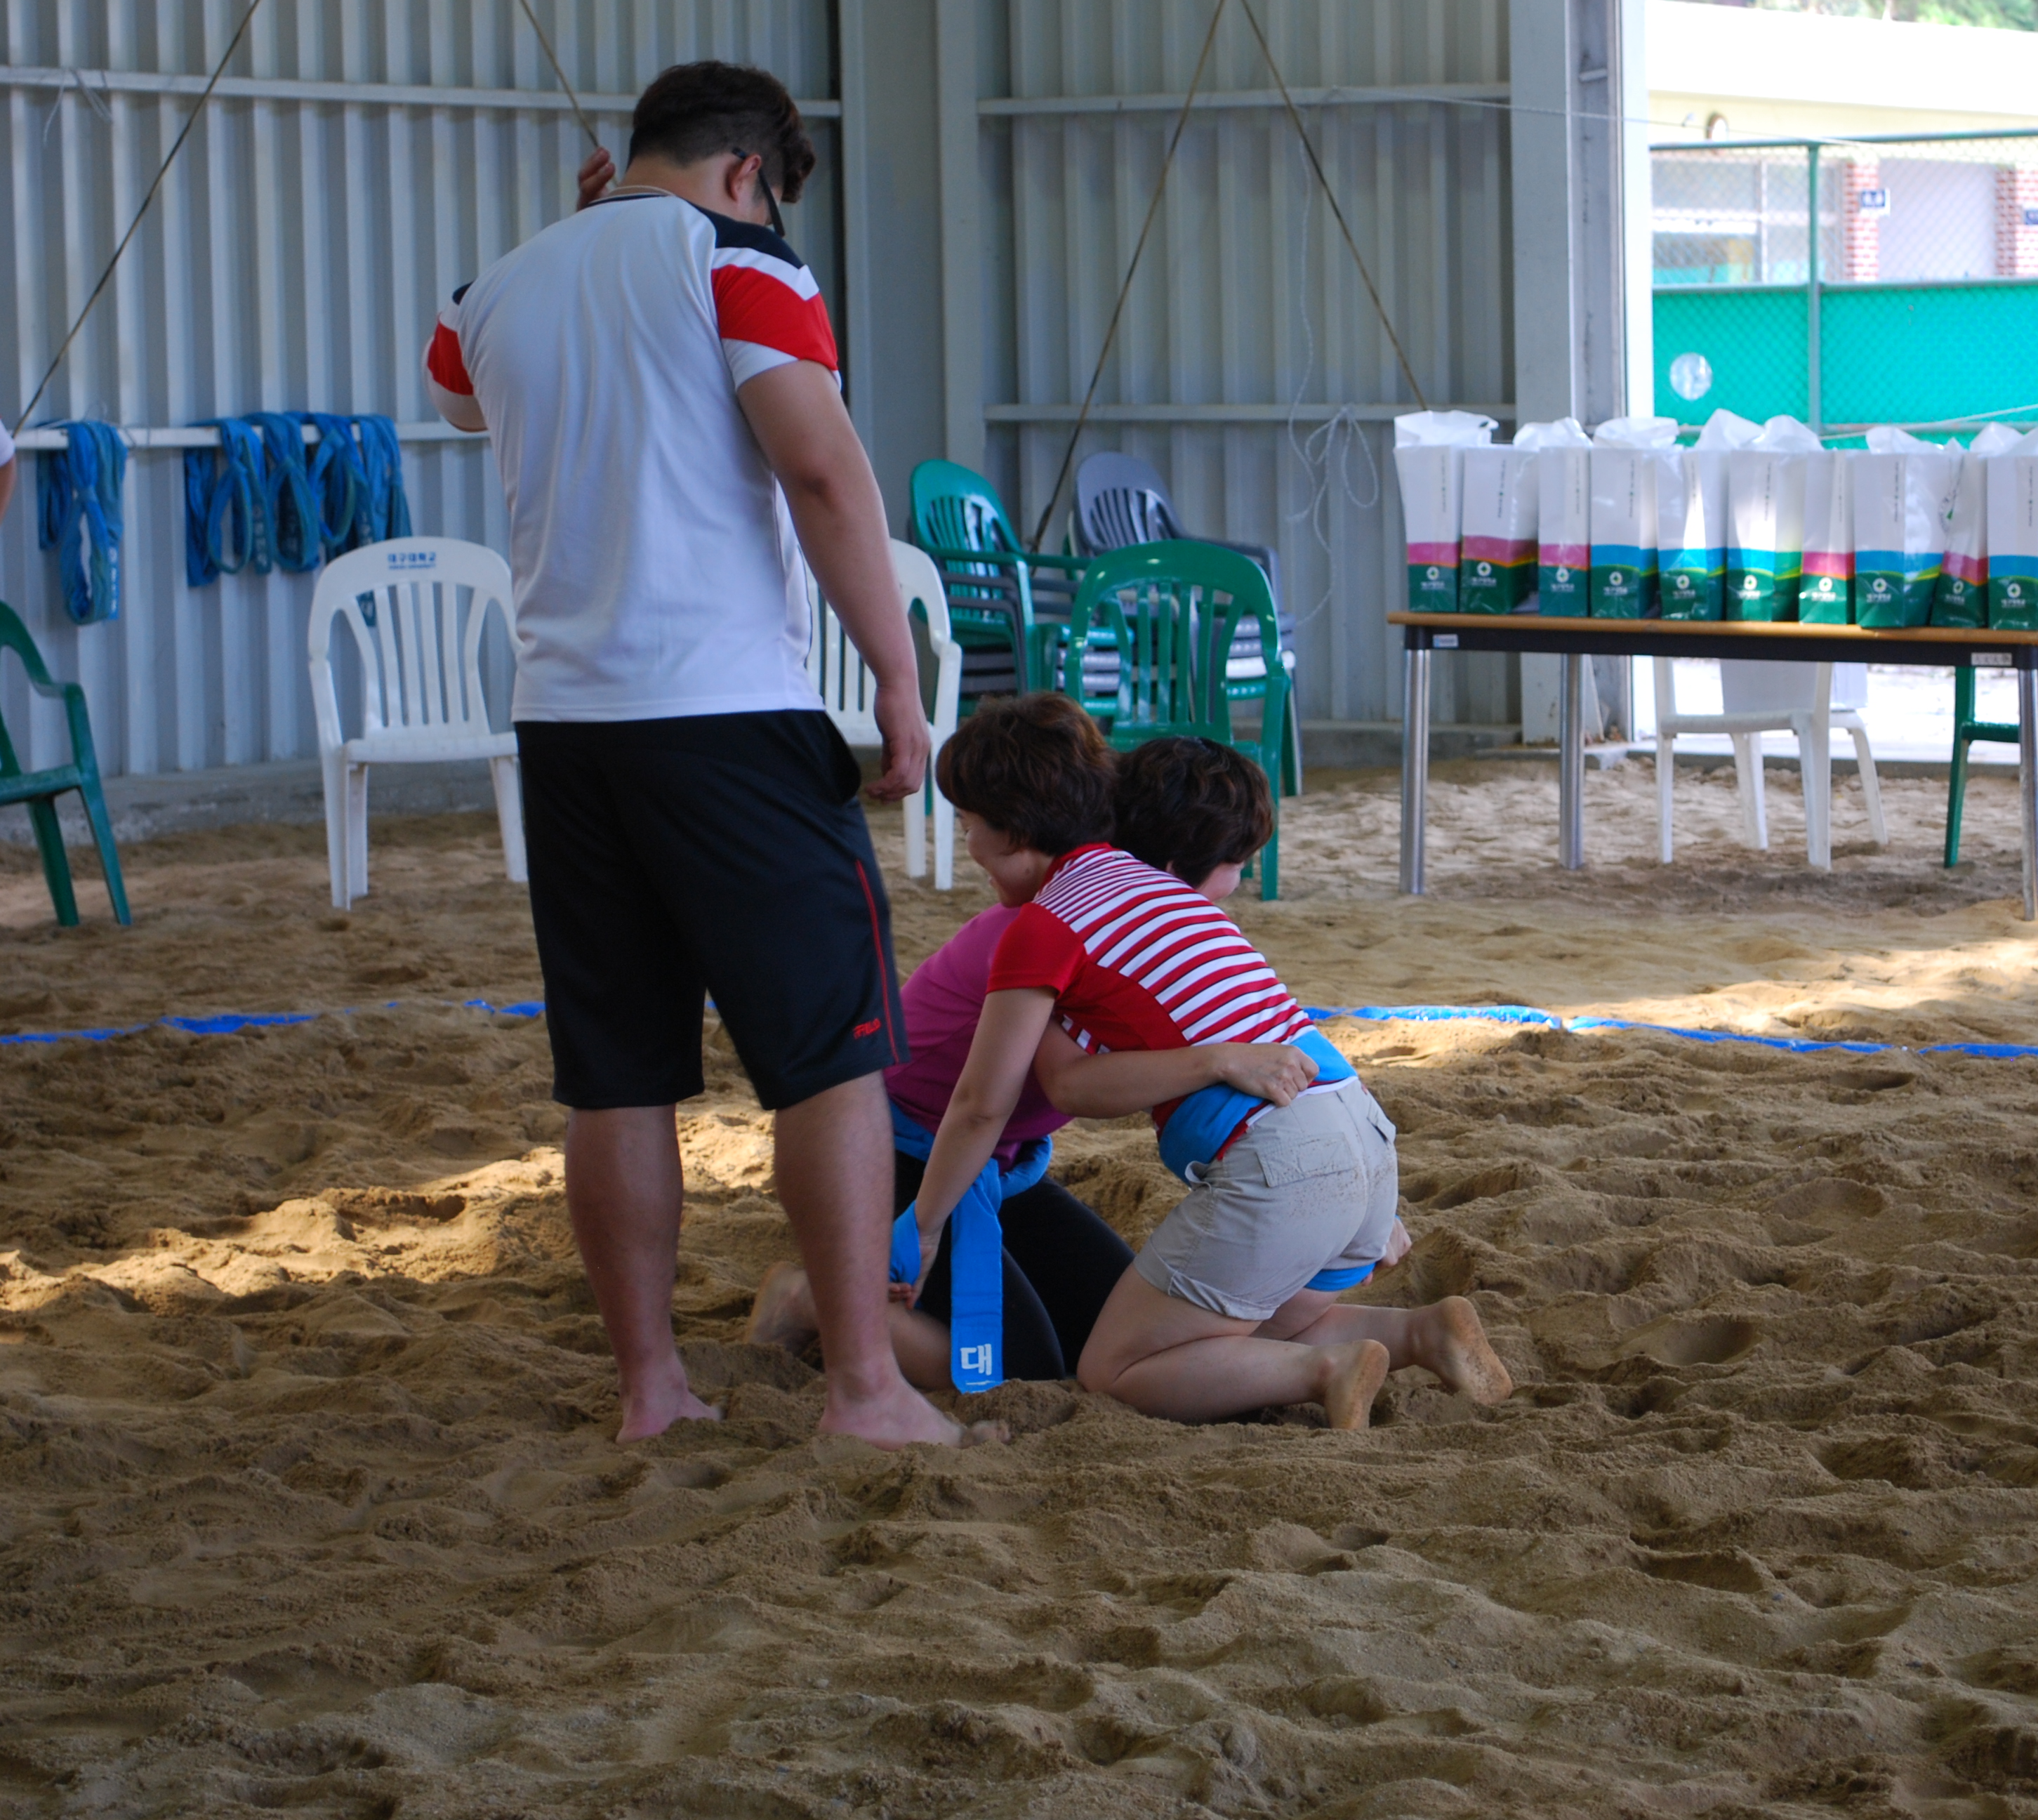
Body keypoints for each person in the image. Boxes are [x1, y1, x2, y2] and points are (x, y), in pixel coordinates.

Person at [424, 62, 962, 1448]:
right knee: (831, 1060)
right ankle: (864, 1389)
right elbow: (823, 470)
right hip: (727, 716)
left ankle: (650, 1388)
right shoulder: (743, 261)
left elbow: (457, 395)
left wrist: (590, 235)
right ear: (747, 173)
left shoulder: (501, 288)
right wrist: (897, 676)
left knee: (616, 1075)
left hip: (566, 728)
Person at [911, 694, 1514, 1430]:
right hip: (1364, 1139)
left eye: (967, 825)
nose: (968, 843)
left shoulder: (1046, 925)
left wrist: (926, 1224)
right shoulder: (1168, 894)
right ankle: (1419, 1334)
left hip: (1284, 1164)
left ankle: (1324, 1369)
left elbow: (1002, 1098)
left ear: (1009, 828)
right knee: (1225, 1332)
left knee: (1113, 1369)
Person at [745, 735, 1337, 1385]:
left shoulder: (1133, 926)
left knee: (1108, 1333)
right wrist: (924, 1226)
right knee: (1023, 1367)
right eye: (1236, 863)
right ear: (1175, 866)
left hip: (995, 1163)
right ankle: (810, 1299)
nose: (1239, 882)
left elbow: (1270, 1050)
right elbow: (1044, 1089)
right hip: (904, 1152)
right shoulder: (1054, 929)